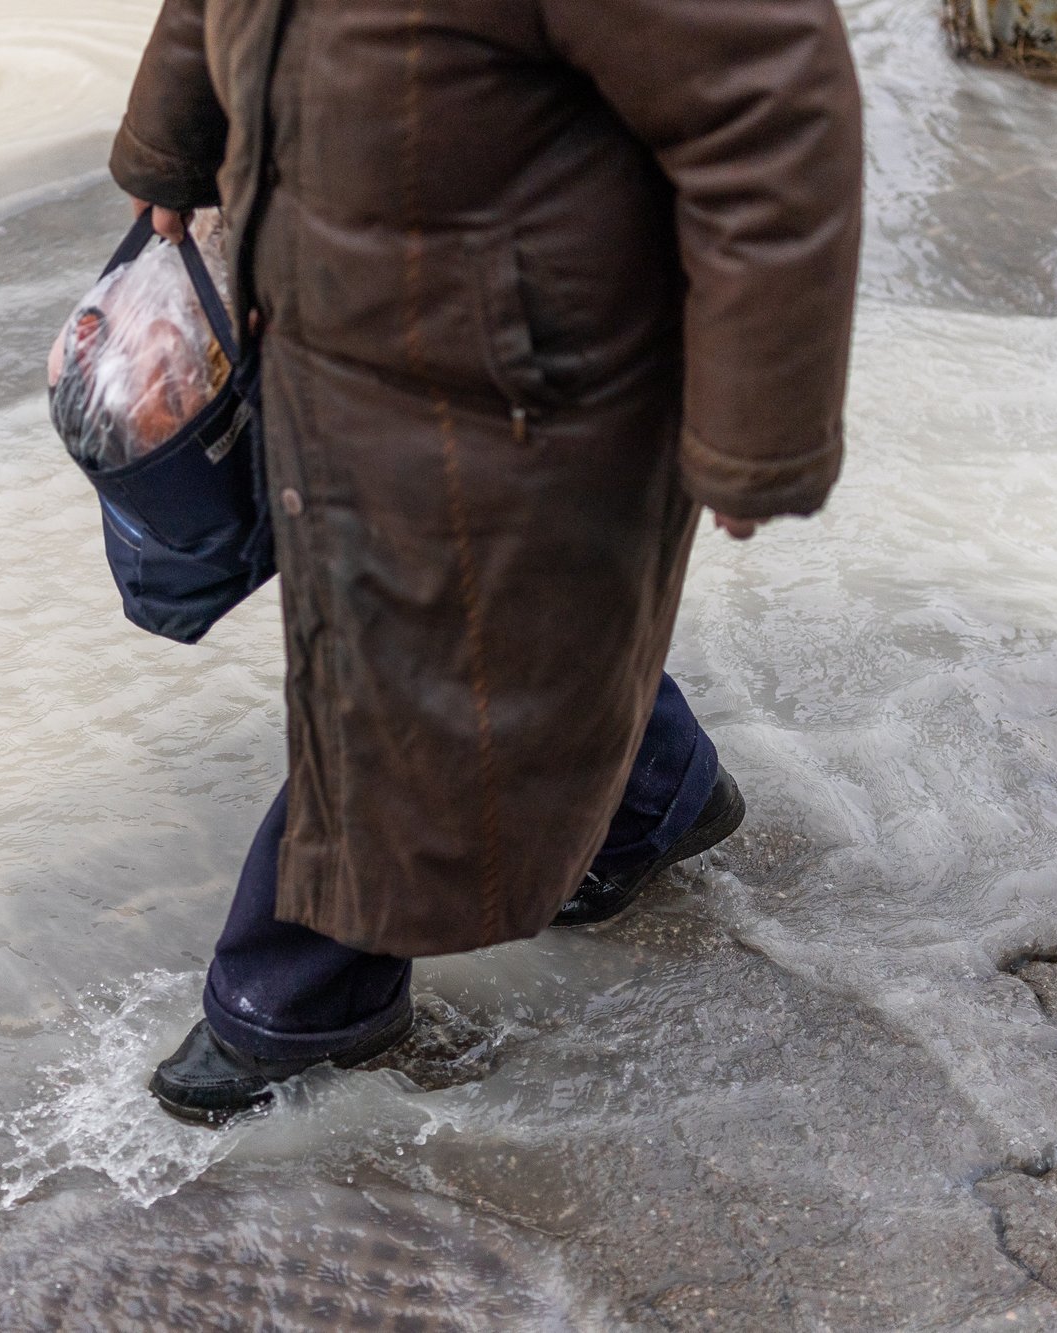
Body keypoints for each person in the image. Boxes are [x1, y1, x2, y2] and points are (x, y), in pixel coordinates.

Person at [111, 0, 865, 1123]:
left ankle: (300, 997)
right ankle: (651, 800)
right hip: (343, 310)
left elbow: (772, 113)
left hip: (525, 370)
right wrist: (174, 139)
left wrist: (756, 432)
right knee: (491, 631)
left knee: (402, 669)